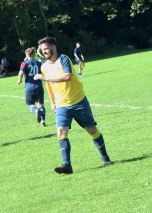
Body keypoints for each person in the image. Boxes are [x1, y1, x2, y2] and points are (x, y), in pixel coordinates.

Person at [34, 37, 111, 174]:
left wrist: (45, 78)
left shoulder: (64, 59)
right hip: (62, 106)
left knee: (92, 130)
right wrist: (52, 102)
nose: (44, 51)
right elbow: (49, 86)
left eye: (46, 48)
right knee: (61, 132)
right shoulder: (44, 66)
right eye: (42, 49)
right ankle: (67, 166)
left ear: (54, 47)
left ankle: (105, 158)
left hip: (78, 101)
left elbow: (67, 76)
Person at [17, 47, 46, 126]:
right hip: (39, 86)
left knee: (30, 104)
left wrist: (19, 80)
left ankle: (35, 111)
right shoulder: (39, 63)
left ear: (26, 54)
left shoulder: (24, 63)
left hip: (29, 87)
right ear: (34, 54)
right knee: (40, 104)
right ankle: (43, 121)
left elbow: (21, 73)